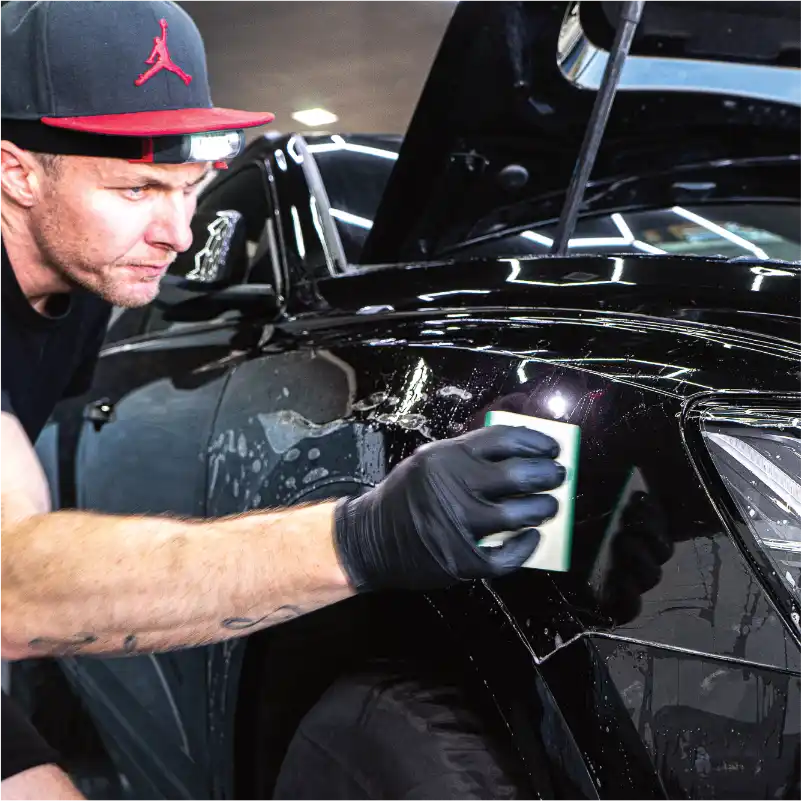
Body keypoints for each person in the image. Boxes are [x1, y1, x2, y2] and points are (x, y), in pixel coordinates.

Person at [0, 0, 567, 795]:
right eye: (136, 189)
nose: (180, 234)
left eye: (190, 188)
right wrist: (362, 537)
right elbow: (13, 586)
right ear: (17, 172)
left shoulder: (80, 280)